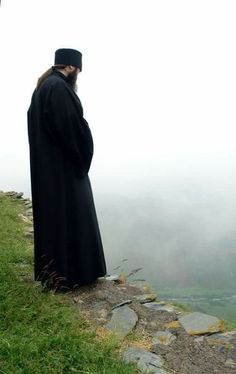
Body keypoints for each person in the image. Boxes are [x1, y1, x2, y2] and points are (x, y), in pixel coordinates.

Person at [27, 48, 107, 291]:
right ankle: (73, 274)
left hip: (49, 168)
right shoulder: (59, 88)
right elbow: (71, 128)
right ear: (71, 67)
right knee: (73, 216)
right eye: (78, 70)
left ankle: (55, 274)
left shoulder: (43, 87)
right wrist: (83, 154)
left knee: (56, 220)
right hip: (65, 168)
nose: (78, 75)